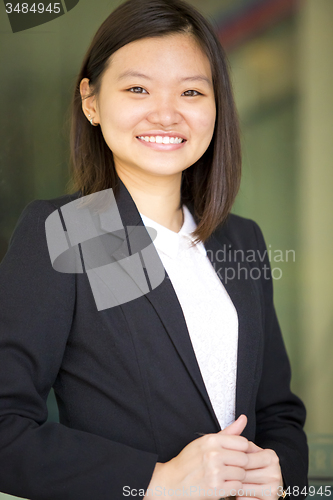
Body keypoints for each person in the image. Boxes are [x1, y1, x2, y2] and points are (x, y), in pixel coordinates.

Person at [0, 0, 308, 498]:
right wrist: (153, 482)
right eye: (137, 88)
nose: (166, 113)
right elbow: (5, 427)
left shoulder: (239, 240)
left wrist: (281, 471)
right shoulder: (76, 230)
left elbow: (279, 412)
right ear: (92, 101)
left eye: (191, 91)